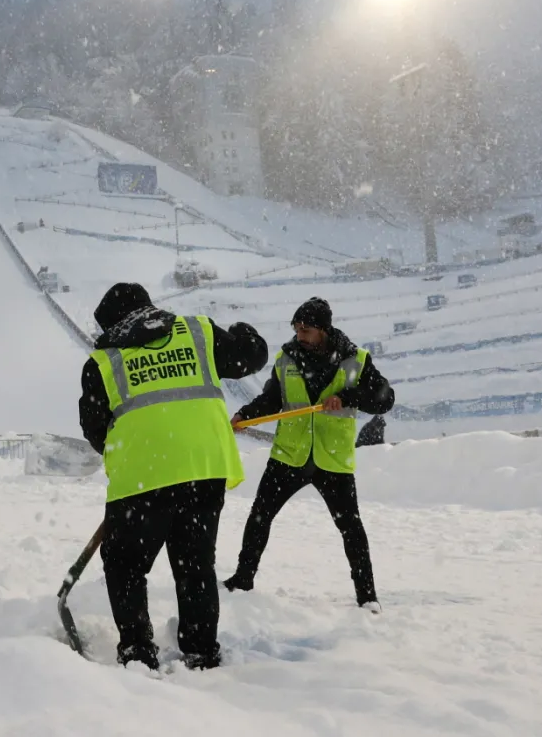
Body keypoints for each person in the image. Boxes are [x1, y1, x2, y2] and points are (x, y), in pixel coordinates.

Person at [78, 282, 268, 671]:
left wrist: (140, 447)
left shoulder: (102, 362)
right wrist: (245, 329)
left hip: (141, 475)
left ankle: (136, 651)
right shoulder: (198, 330)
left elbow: (95, 430)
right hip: (204, 469)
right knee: (194, 563)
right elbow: (251, 356)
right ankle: (200, 651)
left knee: (125, 564)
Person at [223, 298, 395, 611]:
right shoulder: (286, 360)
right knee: (259, 517)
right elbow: (271, 400)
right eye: (296, 328)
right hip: (290, 454)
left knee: (351, 528)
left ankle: (367, 596)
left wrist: (347, 397)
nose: (300, 334)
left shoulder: (356, 360)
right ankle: (242, 579)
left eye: (307, 329)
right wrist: (245, 415)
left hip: (332, 459)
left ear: (324, 330)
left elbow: (384, 400)